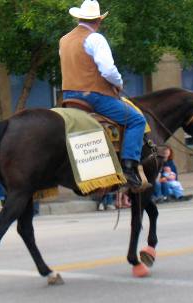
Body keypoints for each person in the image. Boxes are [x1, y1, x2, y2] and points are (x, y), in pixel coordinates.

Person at [59, 0, 147, 189]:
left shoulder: (64, 40)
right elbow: (107, 70)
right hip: (93, 96)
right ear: (99, 20)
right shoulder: (95, 38)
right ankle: (129, 167)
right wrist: (119, 83)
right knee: (136, 120)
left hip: (68, 97)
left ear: (78, 18)